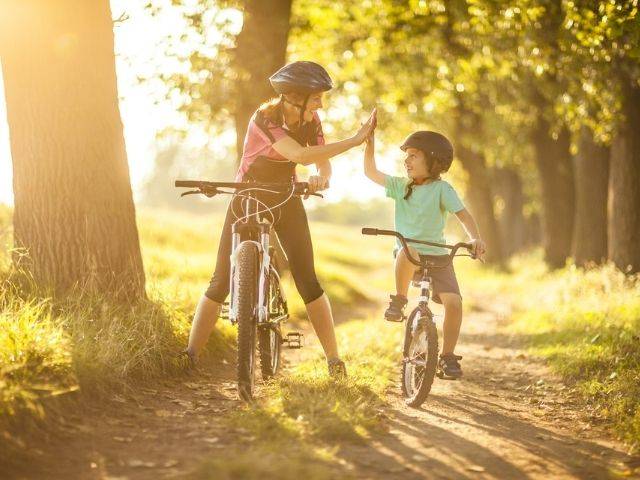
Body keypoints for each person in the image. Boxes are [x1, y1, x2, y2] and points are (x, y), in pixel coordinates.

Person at [185, 61, 376, 378]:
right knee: (220, 281)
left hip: (286, 198)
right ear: (295, 97)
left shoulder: (312, 121)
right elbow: (299, 155)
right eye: (315, 97)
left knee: (308, 281)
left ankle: (333, 360)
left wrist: (320, 178)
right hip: (248, 195)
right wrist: (355, 141)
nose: (320, 104)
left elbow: (320, 162)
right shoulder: (265, 118)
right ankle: (190, 356)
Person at [362, 125, 486, 379]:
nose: (406, 161)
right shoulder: (401, 186)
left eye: (413, 155)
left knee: (454, 303)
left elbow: (463, 215)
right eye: (406, 156)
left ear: (433, 160)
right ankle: (399, 300)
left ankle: (448, 357)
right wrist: (369, 144)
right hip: (409, 257)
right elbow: (370, 172)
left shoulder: (442, 189)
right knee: (409, 250)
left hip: (439, 257)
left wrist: (475, 238)